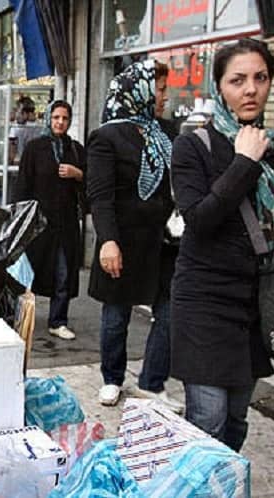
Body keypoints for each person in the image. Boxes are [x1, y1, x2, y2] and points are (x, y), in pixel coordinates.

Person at [170, 38, 274, 451]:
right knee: (207, 421)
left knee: (236, 420)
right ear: (220, 87)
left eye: (260, 78)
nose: (250, 89)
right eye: (237, 80)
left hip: (253, 304)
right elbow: (198, 221)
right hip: (204, 302)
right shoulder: (193, 146)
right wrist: (244, 163)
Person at [86, 60, 182, 410]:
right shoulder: (107, 136)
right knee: (116, 316)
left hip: (164, 242)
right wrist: (107, 240)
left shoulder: (168, 132)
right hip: (123, 243)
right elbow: (100, 194)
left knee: (170, 311)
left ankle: (152, 381)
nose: (164, 96)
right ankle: (112, 377)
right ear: (138, 91)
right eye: (159, 89)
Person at [17, 100, 86, 341]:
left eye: (65, 118)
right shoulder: (35, 148)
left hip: (65, 225)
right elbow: (23, 185)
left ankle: (58, 320)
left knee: (63, 273)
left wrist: (78, 174)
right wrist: (20, 220)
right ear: (49, 118)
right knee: (27, 275)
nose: (60, 122)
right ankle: (19, 317)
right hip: (38, 224)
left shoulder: (75, 149)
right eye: (56, 117)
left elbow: (90, 186)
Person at [8, 96, 40, 165]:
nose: (16, 114)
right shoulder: (39, 127)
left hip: (20, 164)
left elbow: (12, 152)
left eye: (18, 111)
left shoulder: (15, 128)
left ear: (25, 114)